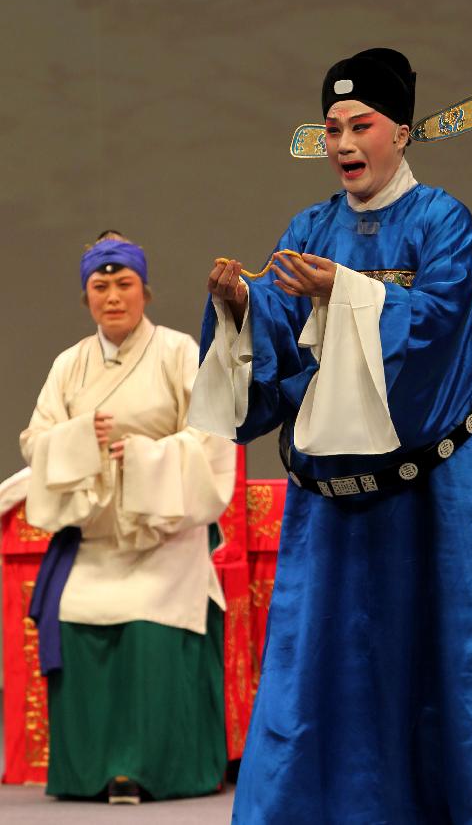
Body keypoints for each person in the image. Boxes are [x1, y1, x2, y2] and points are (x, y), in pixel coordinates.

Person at [189, 49, 472, 824]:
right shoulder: (310, 226)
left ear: (402, 133)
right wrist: (243, 306)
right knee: (323, 676)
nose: (343, 142)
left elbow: (440, 330)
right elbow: (281, 351)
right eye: (330, 129)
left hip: (430, 498)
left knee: (435, 673)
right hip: (331, 507)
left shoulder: (441, 221)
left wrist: (345, 292)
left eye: (361, 125)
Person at [20, 231, 236, 803]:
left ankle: (160, 770)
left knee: (149, 634)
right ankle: (87, 771)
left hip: (163, 540)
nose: (112, 296)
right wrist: (75, 439)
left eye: (124, 284)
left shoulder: (178, 351)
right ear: (86, 295)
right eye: (100, 286)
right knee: (80, 621)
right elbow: (35, 439)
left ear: (145, 290)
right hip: (93, 541)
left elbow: (211, 432)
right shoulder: (69, 365)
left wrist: (143, 457)